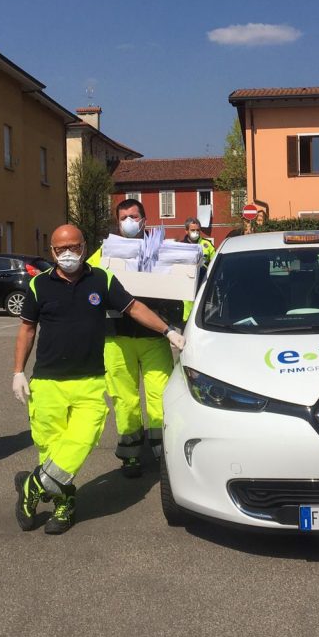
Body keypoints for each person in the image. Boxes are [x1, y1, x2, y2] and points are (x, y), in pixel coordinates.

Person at [12, 224, 185, 534]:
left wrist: (167, 330)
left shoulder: (101, 280)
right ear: (52, 252)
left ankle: (31, 485)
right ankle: (66, 503)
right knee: (52, 451)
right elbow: (26, 329)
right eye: (60, 249)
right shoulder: (39, 285)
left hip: (89, 381)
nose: (68, 254)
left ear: (84, 246)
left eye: (74, 247)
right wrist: (17, 372)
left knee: (81, 441)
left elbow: (134, 308)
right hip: (47, 382)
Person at [87, 199, 184, 477]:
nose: (129, 221)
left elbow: (182, 281)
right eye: (123, 217)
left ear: (144, 220)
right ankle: (130, 453)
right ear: (117, 223)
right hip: (116, 337)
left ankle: (162, 449)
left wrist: (180, 325)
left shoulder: (162, 249)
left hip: (154, 334)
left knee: (161, 394)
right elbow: (88, 276)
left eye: (134, 216)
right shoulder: (106, 252)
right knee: (124, 398)